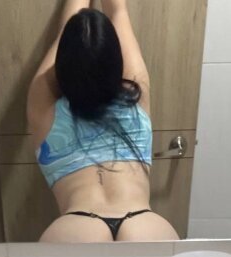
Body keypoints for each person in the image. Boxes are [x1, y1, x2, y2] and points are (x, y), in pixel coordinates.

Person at [28, 0, 180, 243]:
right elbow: (118, 10)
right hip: (145, 225)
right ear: (116, 62)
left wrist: (76, 37)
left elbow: (65, 34)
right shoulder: (136, 92)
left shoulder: (43, 104)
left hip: (75, 228)